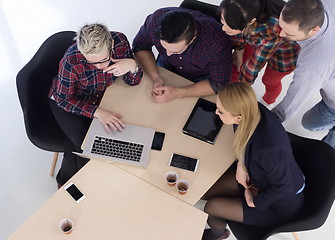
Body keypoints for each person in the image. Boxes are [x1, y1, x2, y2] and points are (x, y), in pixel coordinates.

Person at [201, 82, 305, 240]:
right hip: (257, 179)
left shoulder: (268, 150)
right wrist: (241, 166)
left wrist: (253, 201)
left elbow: (284, 187)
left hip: (277, 204)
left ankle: (218, 234)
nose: (216, 112)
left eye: (220, 111)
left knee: (212, 207)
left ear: (238, 117)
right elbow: (241, 133)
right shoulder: (251, 109)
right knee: (204, 190)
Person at [48, 23, 143, 187]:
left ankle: (65, 181)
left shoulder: (120, 41)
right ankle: (77, 185)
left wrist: (132, 66)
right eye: (92, 62)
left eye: (103, 60)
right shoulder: (71, 61)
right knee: (88, 150)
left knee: (82, 146)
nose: (99, 66)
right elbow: (64, 99)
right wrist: (98, 112)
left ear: (111, 45)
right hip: (70, 103)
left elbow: (132, 82)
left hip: (101, 97)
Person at [271, 0, 335, 152]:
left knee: (309, 124)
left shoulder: (316, 63)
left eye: (289, 33)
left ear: (314, 30)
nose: (281, 34)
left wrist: (267, 121)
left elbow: (292, 101)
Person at [132, 7, 232, 103]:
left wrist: (177, 93)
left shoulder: (217, 42)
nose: (168, 53)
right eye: (164, 47)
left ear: (192, 39)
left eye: (175, 51)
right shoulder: (155, 20)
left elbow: (218, 84)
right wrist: (155, 78)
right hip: (165, 68)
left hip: (200, 78)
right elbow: (140, 47)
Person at [219, 0, 300, 106]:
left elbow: (255, 65)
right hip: (257, 37)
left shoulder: (272, 29)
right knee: (237, 66)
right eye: (222, 20)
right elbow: (237, 32)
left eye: (230, 25)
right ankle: (227, 92)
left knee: (269, 81)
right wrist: (238, 52)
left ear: (251, 21)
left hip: (284, 53)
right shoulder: (238, 10)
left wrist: (241, 90)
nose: (223, 28)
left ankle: (266, 102)